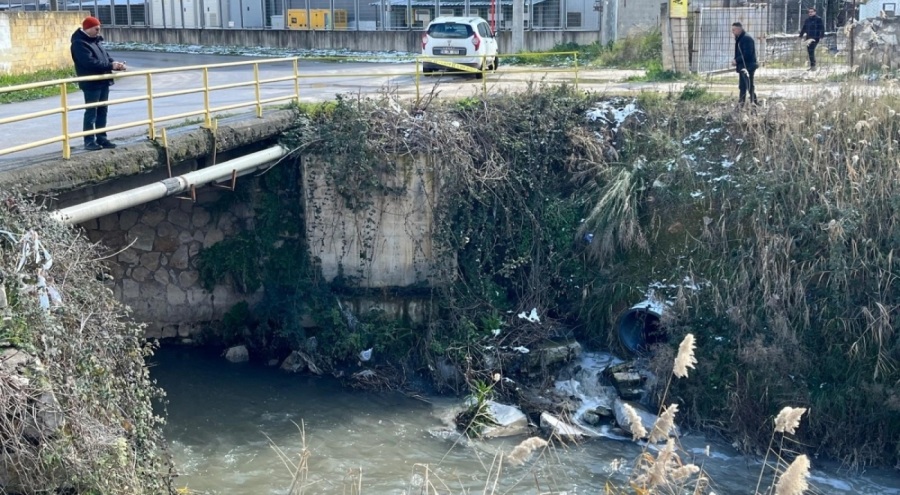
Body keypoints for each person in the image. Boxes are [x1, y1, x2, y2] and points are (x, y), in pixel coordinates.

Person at [70, 16, 127, 151]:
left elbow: (106, 57)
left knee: (102, 110)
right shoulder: (79, 44)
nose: (98, 31)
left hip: (103, 81)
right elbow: (89, 63)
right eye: (96, 29)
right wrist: (110, 65)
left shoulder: (95, 41)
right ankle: (89, 141)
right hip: (91, 83)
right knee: (91, 112)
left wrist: (115, 64)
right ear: (88, 28)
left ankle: (102, 138)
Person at [731, 22, 758, 106]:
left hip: (748, 66)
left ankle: (754, 103)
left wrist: (736, 60)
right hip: (743, 66)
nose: (732, 32)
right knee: (742, 86)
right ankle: (741, 104)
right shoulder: (740, 38)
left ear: (739, 29)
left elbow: (747, 54)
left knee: (749, 86)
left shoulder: (746, 39)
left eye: (734, 30)